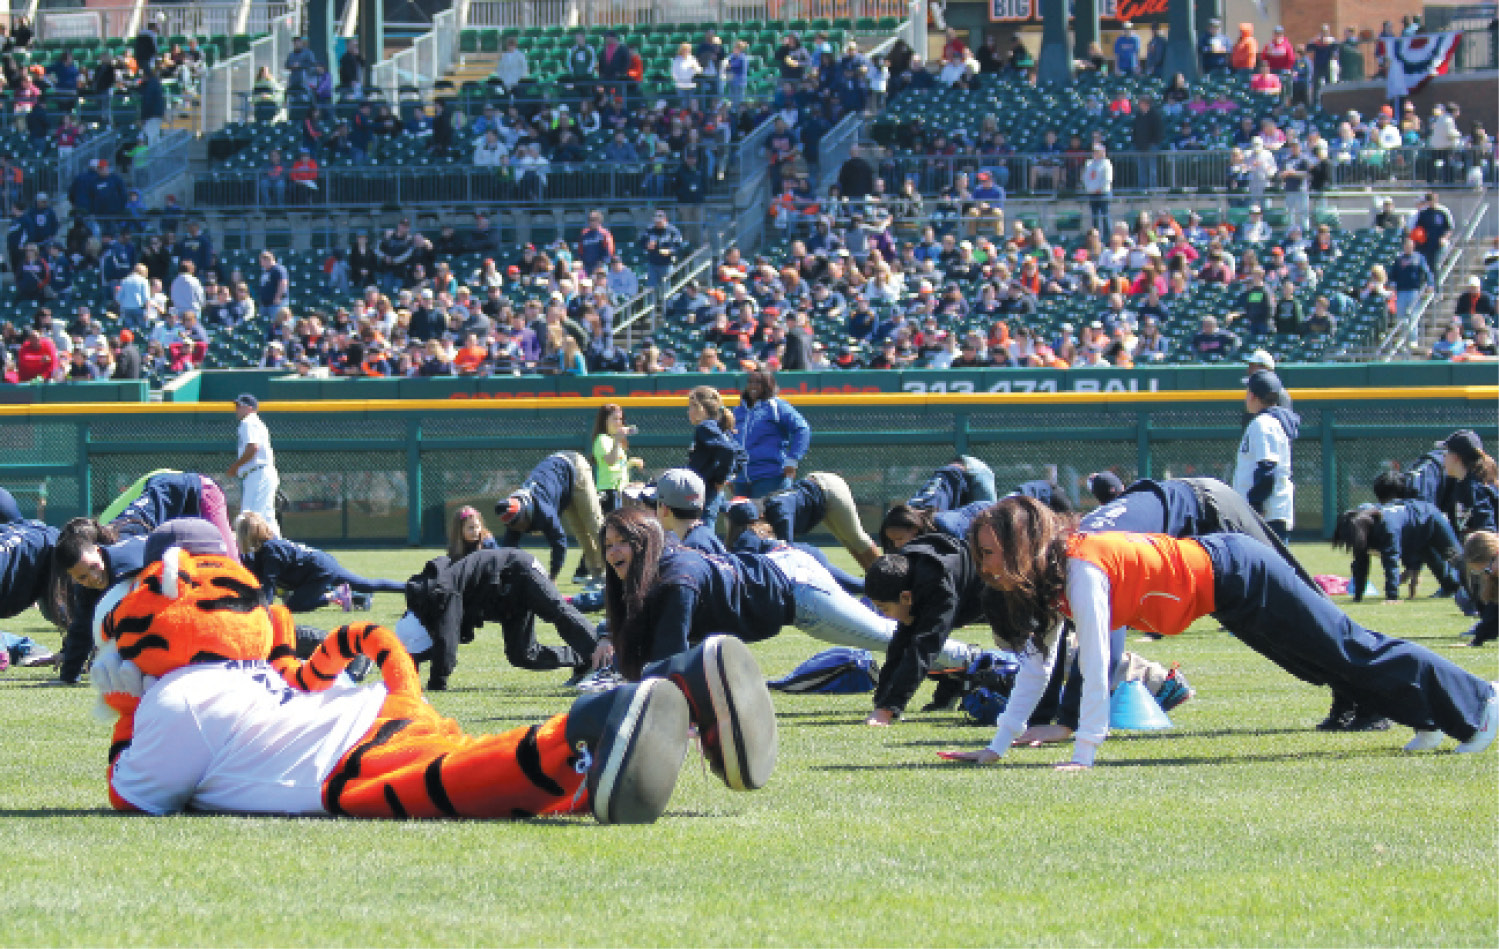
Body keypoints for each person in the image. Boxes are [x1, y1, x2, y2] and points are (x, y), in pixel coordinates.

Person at [92, 547, 778, 822]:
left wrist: (128, 708)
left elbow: (140, 794)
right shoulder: (255, 666)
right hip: (378, 708)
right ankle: (685, 681)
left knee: (463, 784)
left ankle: (587, 729)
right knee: (474, 763)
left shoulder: (176, 699)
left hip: (350, 761)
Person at [940, 497, 1499, 769]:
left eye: (988, 553)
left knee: (1348, 647)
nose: (985, 565)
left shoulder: (1082, 569)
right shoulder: (1049, 578)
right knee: (1327, 665)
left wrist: (1083, 756)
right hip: (1222, 591)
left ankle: (1477, 702)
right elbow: (1038, 666)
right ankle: (1425, 717)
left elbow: (1095, 667)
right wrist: (995, 747)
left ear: (1020, 545)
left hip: (1238, 571)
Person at [600, 508, 973, 679]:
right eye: (609, 544)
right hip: (783, 567)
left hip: (798, 590)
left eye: (622, 543)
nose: (613, 551)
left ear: (645, 542)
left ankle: (980, 661)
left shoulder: (676, 579)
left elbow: (670, 661)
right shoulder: (652, 570)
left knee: (888, 636)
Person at [401, 546, 609, 691]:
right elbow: (424, 645)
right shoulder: (425, 601)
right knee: (522, 654)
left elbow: (446, 642)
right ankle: (585, 658)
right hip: (506, 599)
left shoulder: (442, 591)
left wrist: (437, 682)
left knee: (558, 612)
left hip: (519, 571)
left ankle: (609, 664)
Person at [864, 533, 988, 725]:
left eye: (885, 609)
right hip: (954, 583)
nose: (885, 616)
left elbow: (924, 649)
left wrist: (889, 709)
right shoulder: (905, 574)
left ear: (905, 597)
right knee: (904, 641)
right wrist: (881, 701)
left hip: (993, 589)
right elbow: (898, 647)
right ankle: (952, 682)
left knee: (1014, 644)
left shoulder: (940, 589)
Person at [236, 512, 403, 613]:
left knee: (293, 605)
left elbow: (269, 584)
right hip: (318, 566)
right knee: (365, 585)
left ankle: (336, 595)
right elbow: (252, 567)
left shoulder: (271, 550)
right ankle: (356, 596)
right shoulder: (266, 547)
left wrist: (264, 609)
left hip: (320, 570)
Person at [1333, 492, 1463, 606]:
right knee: (1434, 561)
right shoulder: (1363, 530)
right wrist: (1357, 596)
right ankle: (1451, 588)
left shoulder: (1387, 527)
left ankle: (1473, 587)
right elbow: (1361, 564)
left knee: (1456, 558)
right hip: (1413, 531)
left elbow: (1391, 562)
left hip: (1430, 518)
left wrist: (1392, 596)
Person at [496, 451, 606, 584]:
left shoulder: (543, 511)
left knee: (594, 525)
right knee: (581, 532)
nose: (519, 528)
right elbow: (507, 548)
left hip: (575, 466)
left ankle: (612, 571)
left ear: (525, 513)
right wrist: (501, 578)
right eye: (514, 526)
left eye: (519, 524)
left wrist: (553, 576)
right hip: (562, 482)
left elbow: (559, 542)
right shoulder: (513, 516)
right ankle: (597, 574)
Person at [757, 472, 880, 569]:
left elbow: (786, 552)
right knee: (847, 541)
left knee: (857, 538)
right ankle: (872, 581)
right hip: (817, 491)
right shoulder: (769, 510)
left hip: (828, 488)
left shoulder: (779, 512)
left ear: (761, 515)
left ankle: (892, 577)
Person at [1232, 371, 1297, 538]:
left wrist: (1255, 506)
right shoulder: (1269, 421)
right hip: (1270, 514)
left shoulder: (1264, 424)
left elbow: (1267, 469)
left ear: (1252, 396)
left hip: (1267, 516)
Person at [732, 369, 811, 498]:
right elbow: (731, 441)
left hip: (771, 477)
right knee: (740, 517)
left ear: (768, 385)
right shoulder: (739, 410)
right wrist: (730, 473)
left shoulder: (776, 406)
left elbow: (802, 429)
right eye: (750, 382)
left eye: (758, 382)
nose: (753, 386)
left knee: (770, 517)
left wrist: (792, 460)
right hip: (741, 480)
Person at [686, 386, 743, 526]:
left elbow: (729, 450)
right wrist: (728, 475)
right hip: (711, 491)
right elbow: (741, 454)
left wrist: (720, 478)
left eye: (691, 407)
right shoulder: (718, 427)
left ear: (701, 409)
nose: (688, 412)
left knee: (702, 532)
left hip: (706, 492)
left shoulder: (705, 427)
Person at [228, 393, 281, 537]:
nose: (237, 409)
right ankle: (281, 550)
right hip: (260, 473)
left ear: (250, 408)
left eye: (240, 406)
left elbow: (253, 447)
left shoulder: (249, 421)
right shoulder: (254, 422)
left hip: (258, 473)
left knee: (253, 517)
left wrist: (236, 466)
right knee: (264, 516)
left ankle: (276, 550)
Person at [646, 469, 726, 556]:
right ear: (701, 506)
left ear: (665, 510)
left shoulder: (692, 549)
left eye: (657, 504)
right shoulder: (704, 536)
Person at [592, 402, 642, 514]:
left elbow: (618, 466)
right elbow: (610, 461)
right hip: (609, 492)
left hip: (620, 492)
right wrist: (617, 441)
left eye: (620, 419)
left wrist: (631, 463)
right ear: (605, 420)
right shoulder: (602, 439)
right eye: (614, 419)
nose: (618, 422)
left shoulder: (615, 441)